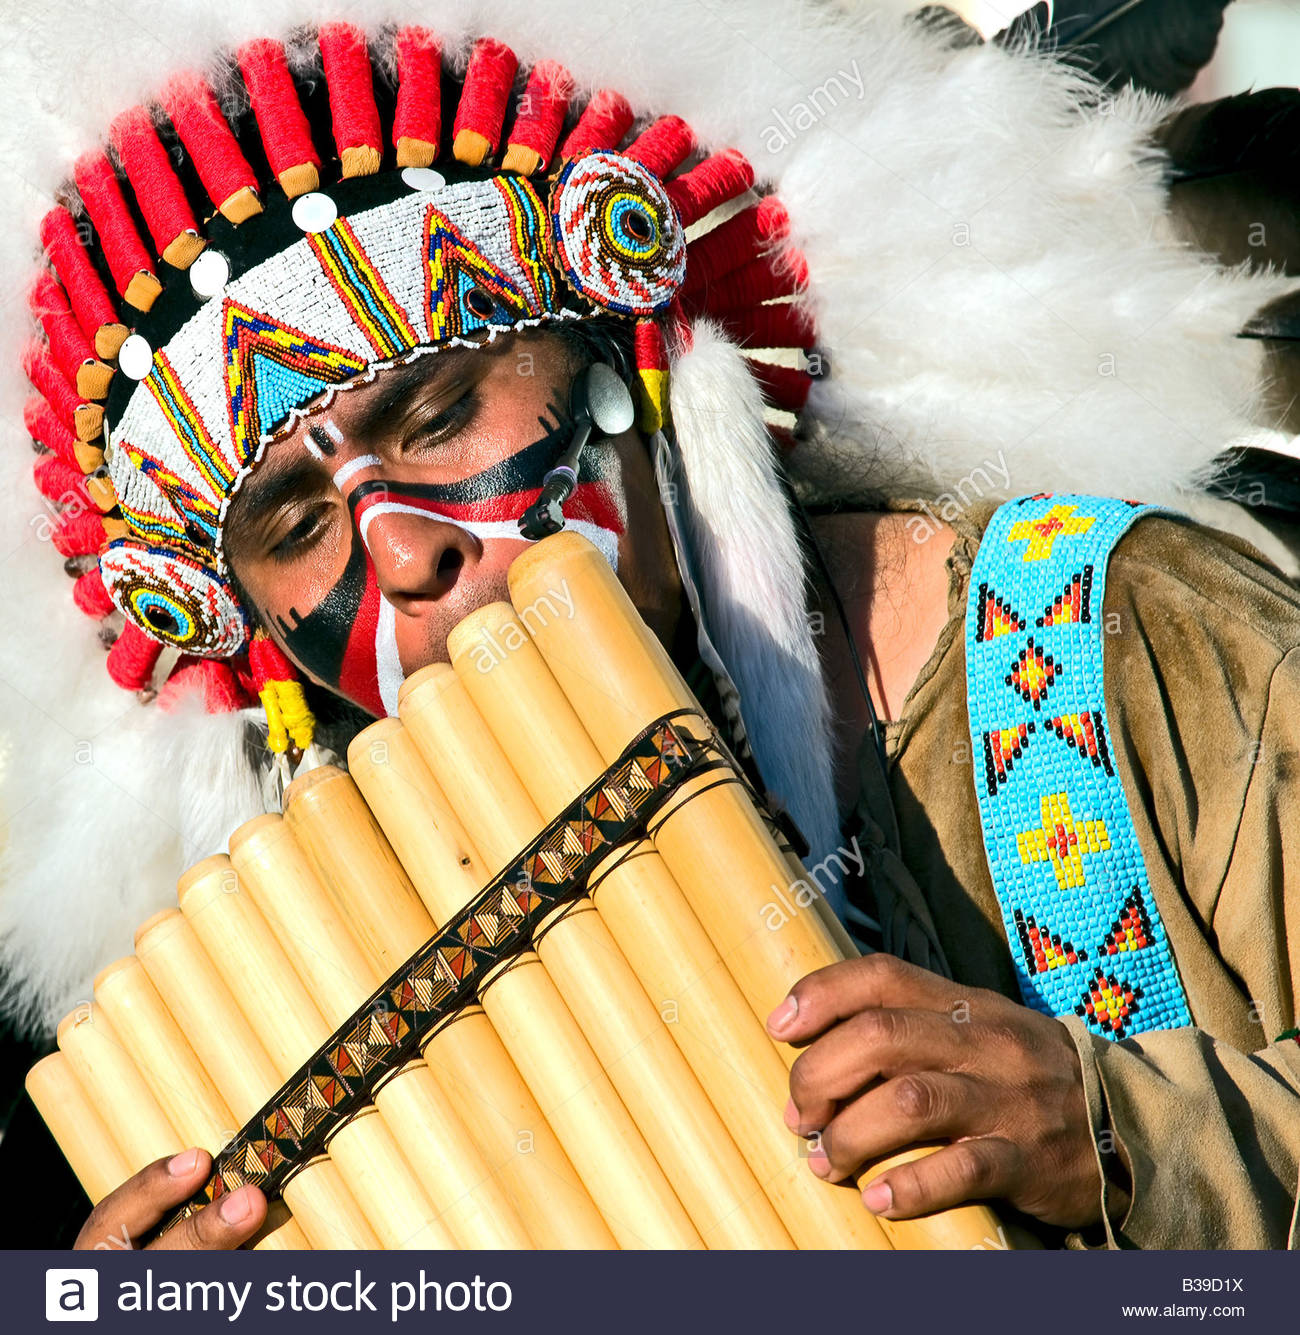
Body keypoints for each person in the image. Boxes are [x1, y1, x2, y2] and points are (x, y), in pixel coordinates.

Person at [1, 2, 1297, 1251]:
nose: (399, 551)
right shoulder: (308, 1020)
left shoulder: (1119, 636)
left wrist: (1138, 1140)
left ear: (629, 359)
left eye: (440, 417)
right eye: (294, 527)